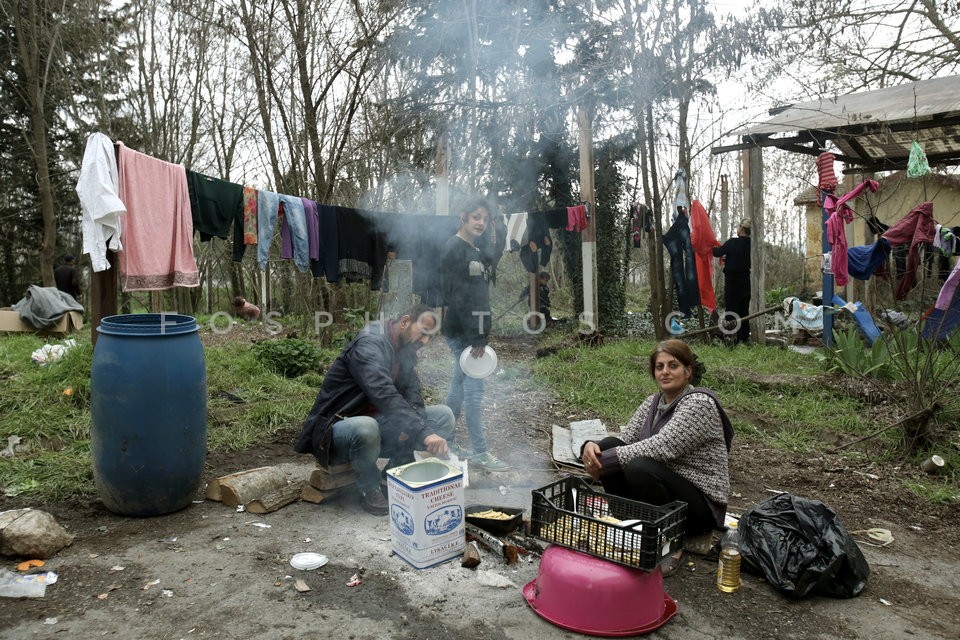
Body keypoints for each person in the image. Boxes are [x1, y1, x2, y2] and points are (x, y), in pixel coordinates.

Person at [580, 339, 734, 573]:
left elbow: (662, 447)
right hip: (665, 492)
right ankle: (629, 523)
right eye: (659, 366)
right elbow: (626, 439)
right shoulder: (653, 403)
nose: (665, 372)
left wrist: (605, 461)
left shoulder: (699, 404)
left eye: (673, 365)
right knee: (609, 445)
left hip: (699, 506)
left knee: (638, 467)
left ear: (688, 371)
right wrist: (592, 447)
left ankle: (672, 540)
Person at [293, 305, 456, 515]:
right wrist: (423, 432)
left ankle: (393, 476)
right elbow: (383, 393)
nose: (425, 341)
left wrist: (417, 426)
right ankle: (370, 487)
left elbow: (413, 395)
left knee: (443, 416)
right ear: (405, 322)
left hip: (379, 427)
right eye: (423, 332)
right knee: (367, 426)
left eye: (430, 337)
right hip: (338, 431)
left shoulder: (404, 350)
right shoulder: (369, 343)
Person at [440, 199, 510, 471]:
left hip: (470, 330)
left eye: (485, 218)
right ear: (463, 217)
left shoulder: (475, 249)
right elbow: (457, 297)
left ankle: (445, 442)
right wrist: (476, 336)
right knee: (474, 392)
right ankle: (481, 451)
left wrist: (499, 225)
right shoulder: (454, 248)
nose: (481, 223)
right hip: (463, 333)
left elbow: (494, 258)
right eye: (476, 217)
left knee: (458, 389)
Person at [712, 219, 751, 343]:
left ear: (741, 228)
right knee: (744, 310)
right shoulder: (752, 244)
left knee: (732, 309)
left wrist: (709, 243)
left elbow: (717, 252)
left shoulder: (732, 242)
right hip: (746, 281)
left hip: (732, 282)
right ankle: (744, 337)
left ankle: (731, 337)